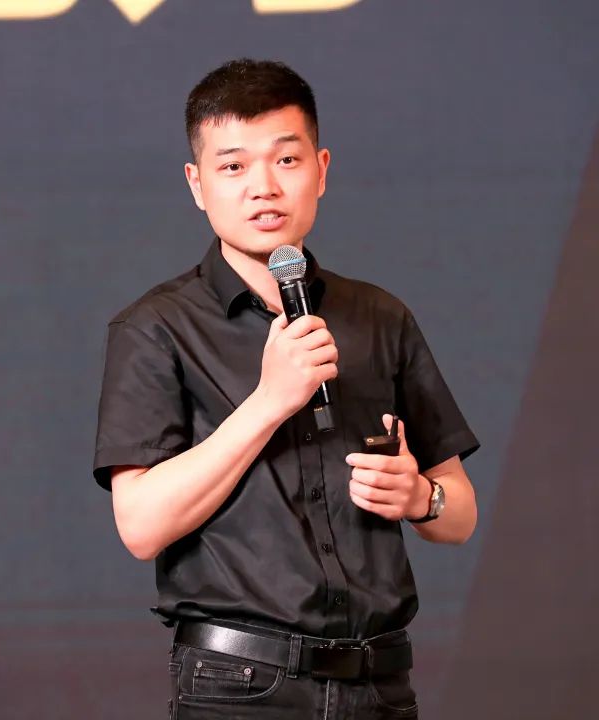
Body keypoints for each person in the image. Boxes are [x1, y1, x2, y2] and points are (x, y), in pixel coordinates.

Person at [93, 58, 480, 719]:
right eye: (233, 166)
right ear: (197, 184)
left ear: (321, 170)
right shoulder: (155, 328)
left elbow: (460, 515)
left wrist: (420, 497)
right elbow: (141, 527)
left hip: (380, 684)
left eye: (286, 160)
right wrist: (270, 401)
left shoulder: (379, 317)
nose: (263, 188)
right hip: (241, 686)